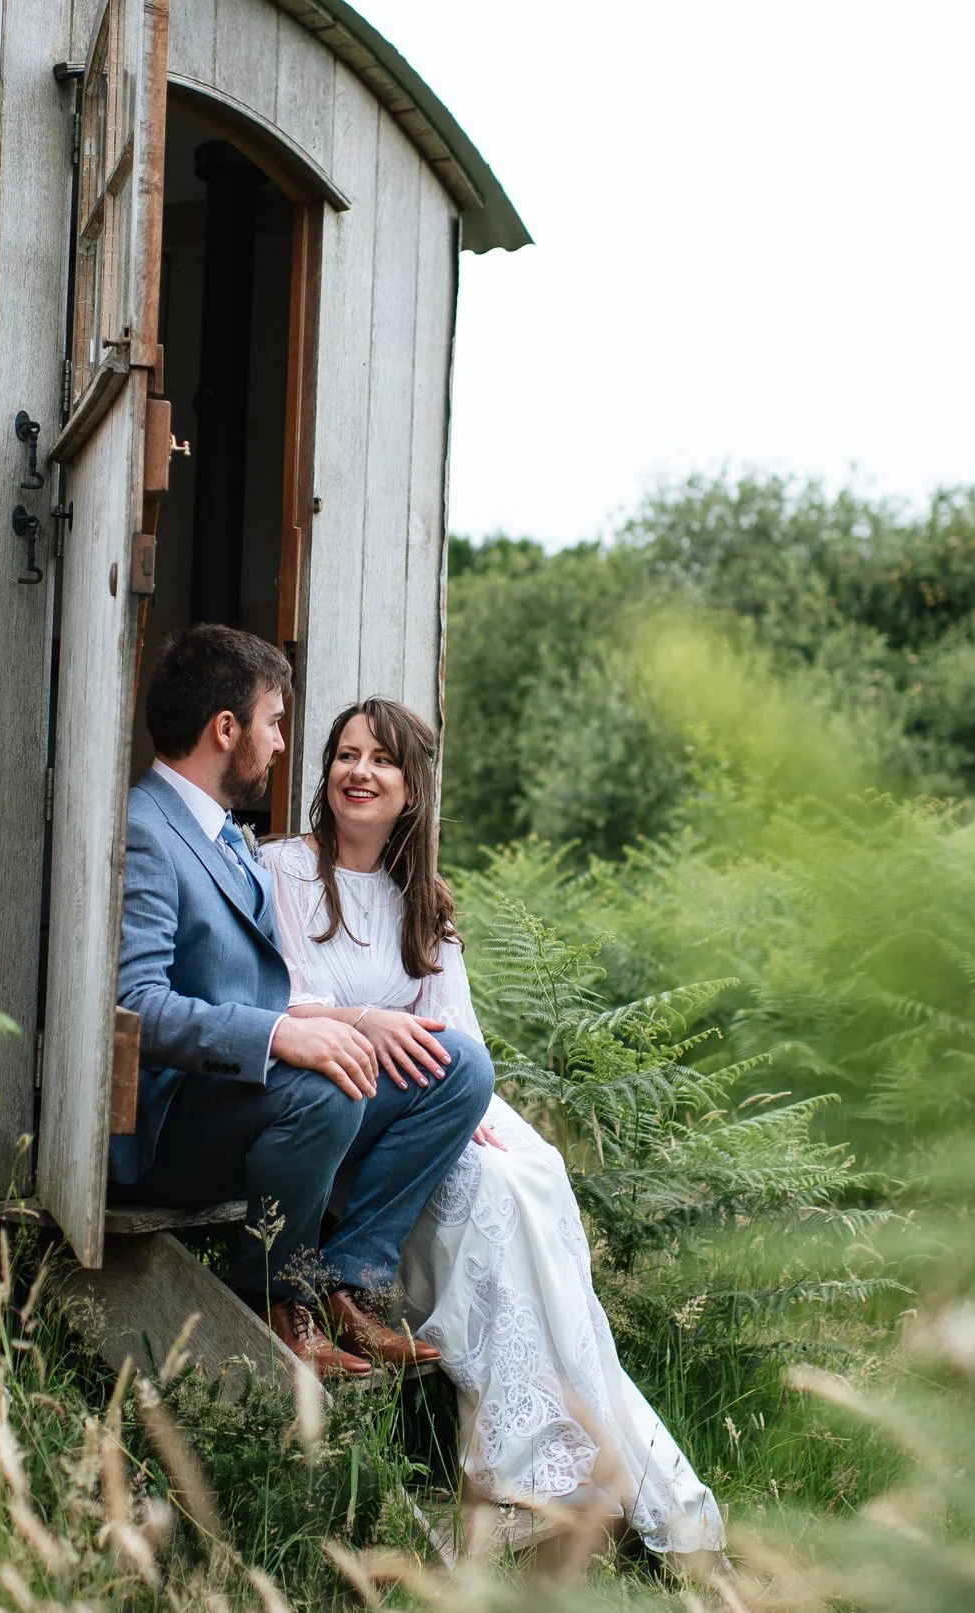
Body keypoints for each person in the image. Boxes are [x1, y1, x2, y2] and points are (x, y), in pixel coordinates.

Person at [261, 697, 725, 1555]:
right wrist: (370, 1023)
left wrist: (461, 1109)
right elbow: (273, 1000)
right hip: (332, 1091)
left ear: (411, 792)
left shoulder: (423, 896)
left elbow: (458, 1030)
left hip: (415, 1103)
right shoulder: (282, 869)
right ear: (326, 774)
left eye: (382, 762)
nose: (359, 772)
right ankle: (357, 1286)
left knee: (523, 1174)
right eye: (346, 755)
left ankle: (566, 1454)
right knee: (486, 1188)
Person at [112, 625, 494, 1378]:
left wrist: (342, 1023)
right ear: (227, 729)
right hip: (180, 1126)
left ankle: (353, 1281)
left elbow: (273, 985)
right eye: (274, 723)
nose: (283, 745)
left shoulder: (225, 836)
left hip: (253, 1100)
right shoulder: (148, 828)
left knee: (461, 1070)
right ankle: (278, 1296)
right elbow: (137, 1004)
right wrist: (280, 1037)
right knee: (326, 1085)